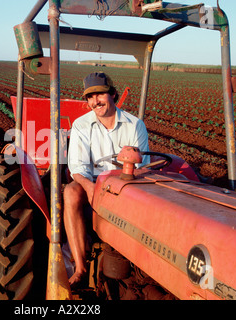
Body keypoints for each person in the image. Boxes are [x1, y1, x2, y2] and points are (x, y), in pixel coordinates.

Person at [63, 72, 150, 287]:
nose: (95, 101)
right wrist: (91, 187)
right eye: (90, 97)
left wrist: (117, 188)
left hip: (125, 182)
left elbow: (140, 166)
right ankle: (80, 268)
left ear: (113, 95)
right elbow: (77, 167)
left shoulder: (134, 125)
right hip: (91, 181)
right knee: (71, 192)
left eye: (100, 94)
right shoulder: (81, 125)